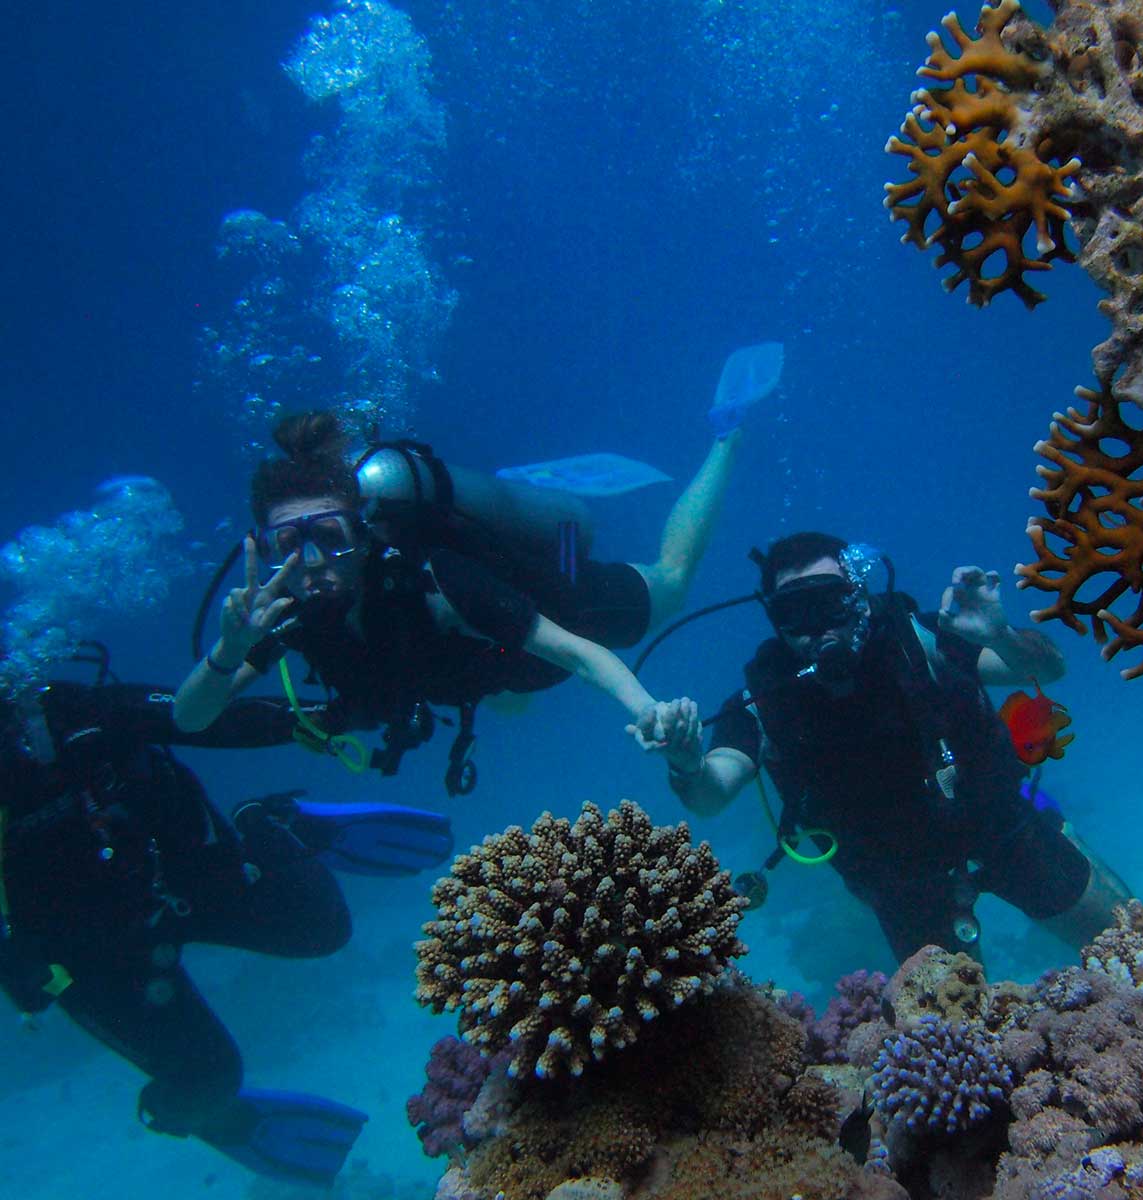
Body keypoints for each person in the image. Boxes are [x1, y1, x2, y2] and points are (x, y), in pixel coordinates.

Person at [0, 677, 451, 1183]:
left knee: (322, 927)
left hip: (181, 883)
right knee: (205, 1085)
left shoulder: (72, 708)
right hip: (88, 954)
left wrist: (329, 715)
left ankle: (273, 822)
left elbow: (203, 716)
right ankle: (208, 1114)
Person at [174, 403, 749, 788]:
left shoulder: (435, 576)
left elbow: (576, 653)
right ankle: (530, 508)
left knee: (671, 579)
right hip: (488, 670)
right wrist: (229, 651)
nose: (314, 562)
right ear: (266, 548)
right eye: (289, 543)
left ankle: (726, 435)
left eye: (329, 536)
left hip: (559, 611)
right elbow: (190, 718)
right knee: (509, 696)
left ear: (364, 530)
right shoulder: (278, 616)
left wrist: (648, 712)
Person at [642, 532, 1132, 964]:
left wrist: (1001, 636)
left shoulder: (920, 640)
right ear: (775, 619)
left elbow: (1046, 670)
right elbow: (712, 791)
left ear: (859, 595)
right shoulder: (763, 701)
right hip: (901, 885)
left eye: (830, 602)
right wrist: (686, 764)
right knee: (953, 1043)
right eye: (796, 611)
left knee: (1137, 948)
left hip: (1004, 830)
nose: (819, 627)